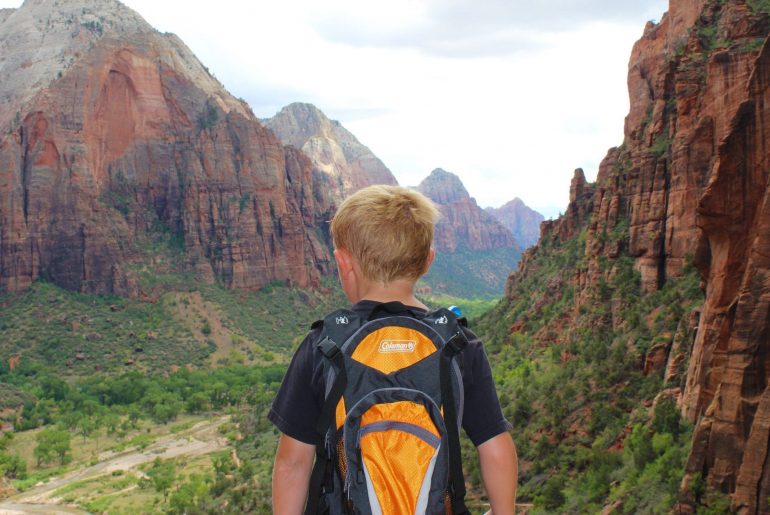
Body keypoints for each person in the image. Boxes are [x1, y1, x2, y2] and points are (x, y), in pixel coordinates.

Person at [269, 185, 518, 514]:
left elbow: (292, 463)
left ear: (343, 263)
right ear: (428, 261)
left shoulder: (324, 344)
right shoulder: (459, 343)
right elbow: (495, 446)